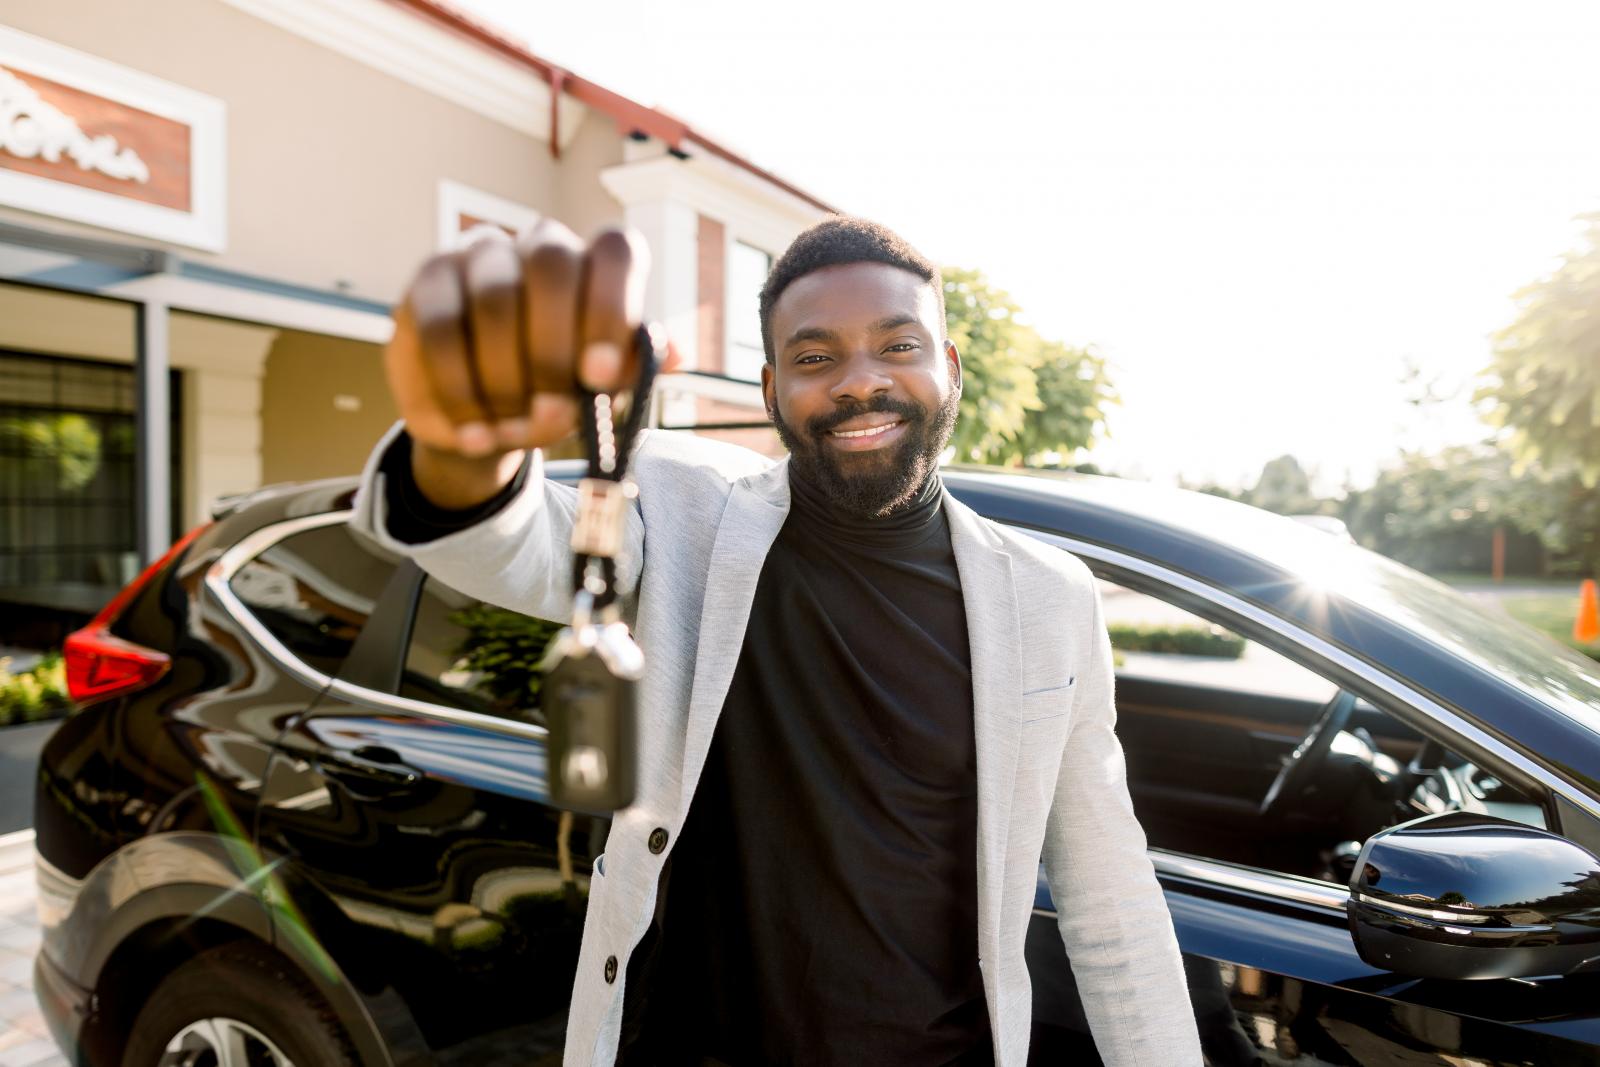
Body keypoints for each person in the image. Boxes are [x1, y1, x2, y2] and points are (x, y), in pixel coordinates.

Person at [351, 214, 1202, 1066]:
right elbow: (521, 547)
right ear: (769, 389)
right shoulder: (688, 512)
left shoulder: (1049, 598)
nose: (858, 383)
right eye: (815, 357)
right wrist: (468, 446)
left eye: (897, 346)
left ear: (948, 367)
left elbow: (1109, 895)